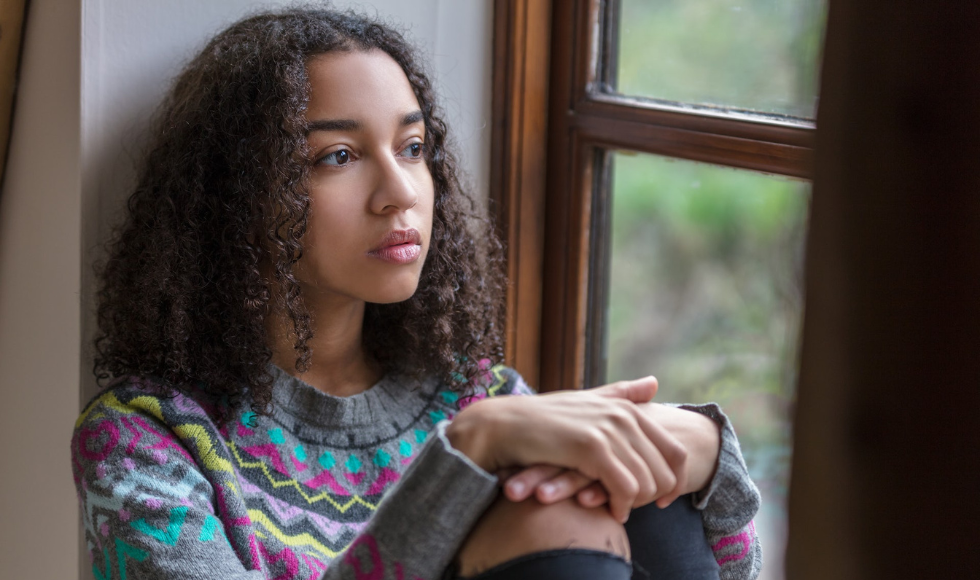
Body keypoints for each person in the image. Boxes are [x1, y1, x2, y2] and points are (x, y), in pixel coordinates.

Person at [71, 7, 762, 580]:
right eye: (336, 157)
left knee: (628, 484)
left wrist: (704, 456)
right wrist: (466, 454)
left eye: (411, 147)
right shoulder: (144, 440)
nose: (401, 192)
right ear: (235, 196)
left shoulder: (476, 399)